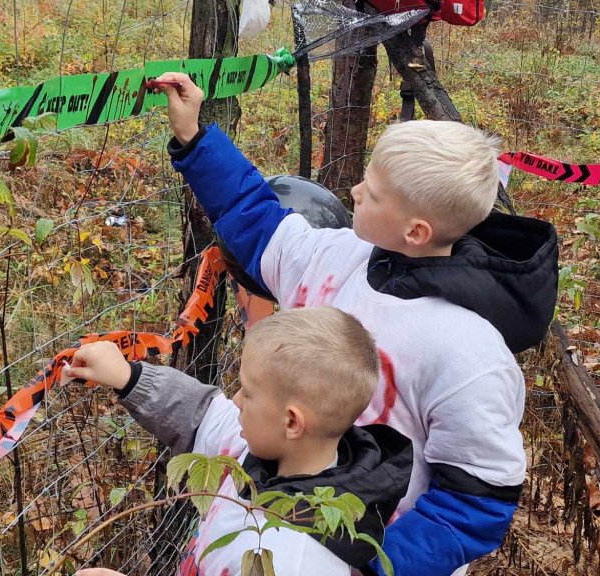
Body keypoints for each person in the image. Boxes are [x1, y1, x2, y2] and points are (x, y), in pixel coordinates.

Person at [152, 72, 559, 575]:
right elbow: (256, 220)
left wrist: (372, 567)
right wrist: (196, 138)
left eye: (374, 191)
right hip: (265, 529)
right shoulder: (339, 256)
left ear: (415, 230)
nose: (355, 190)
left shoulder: (469, 354)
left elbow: (474, 502)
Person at [63, 307, 413, 576]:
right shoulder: (270, 450)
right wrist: (127, 377)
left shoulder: (295, 562)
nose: (235, 400)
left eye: (248, 391)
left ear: (291, 421)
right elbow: (200, 413)